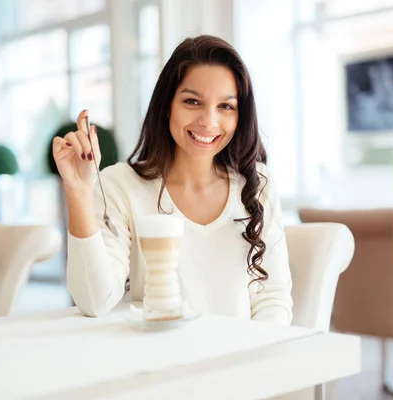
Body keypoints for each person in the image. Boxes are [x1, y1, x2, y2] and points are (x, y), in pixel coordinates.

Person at [53, 35, 293, 325]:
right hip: (159, 361)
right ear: (167, 105)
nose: (208, 121)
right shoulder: (121, 185)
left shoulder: (257, 185)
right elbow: (94, 300)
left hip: (238, 361)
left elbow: (273, 300)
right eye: (192, 101)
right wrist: (78, 192)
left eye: (226, 106)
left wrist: (249, 362)